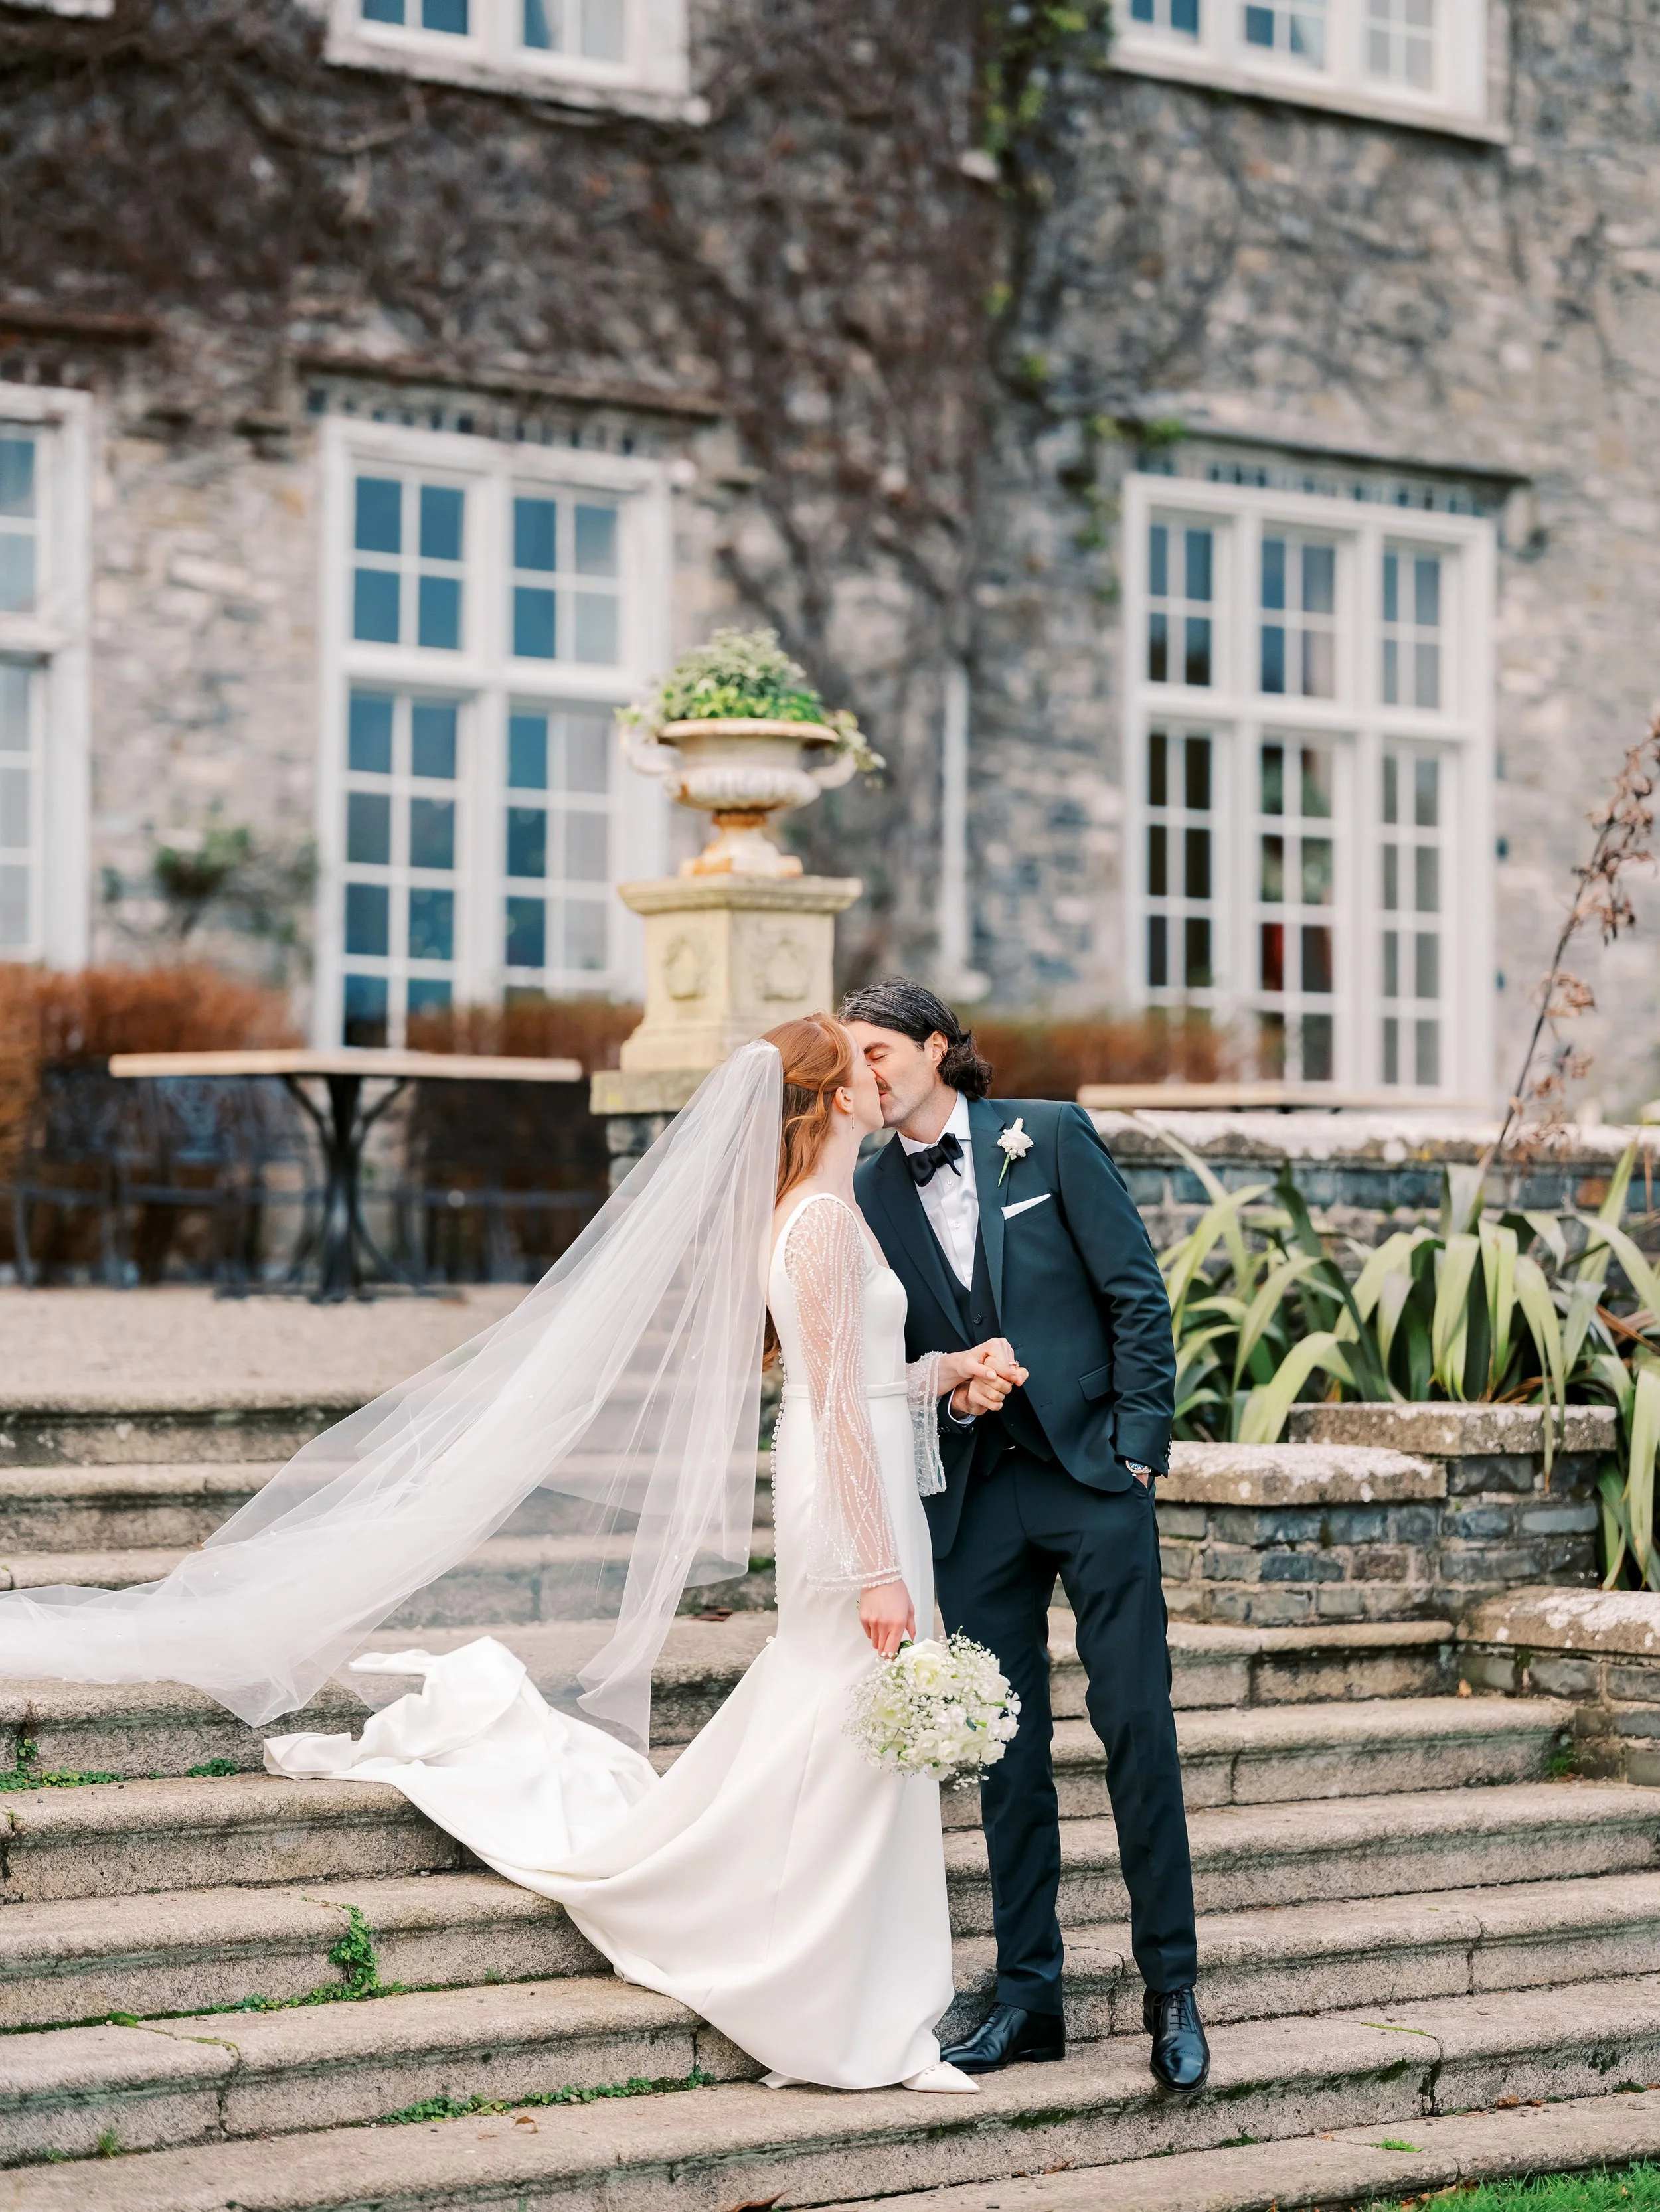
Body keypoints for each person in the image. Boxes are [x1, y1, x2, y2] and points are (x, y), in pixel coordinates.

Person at [0, 1018, 1014, 2096]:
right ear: (825, 1097)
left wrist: (943, 1372)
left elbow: (851, 1380)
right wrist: (878, 1570)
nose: (881, 1069)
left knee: (849, 1712)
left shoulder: (830, 1212)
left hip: (861, 1486)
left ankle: (845, 1971)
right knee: (846, 1705)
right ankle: (813, 1982)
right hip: (849, 1502)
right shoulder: (813, 1225)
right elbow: (838, 1418)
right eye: (858, 1060)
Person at [843, 978, 1210, 2096]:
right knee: (1007, 1757)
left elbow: (1137, 1296)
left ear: (936, 1047)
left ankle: (1173, 1990)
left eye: (876, 1051)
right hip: (977, 1499)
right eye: (847, 1058)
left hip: (1094, 1477)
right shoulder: (865, 1192)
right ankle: (1027, 1998)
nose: (863, 1073)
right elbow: (894, 1356)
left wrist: (1140, 1445)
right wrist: (955, 1402)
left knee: (1136, 1724)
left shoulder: (1044, 1138)